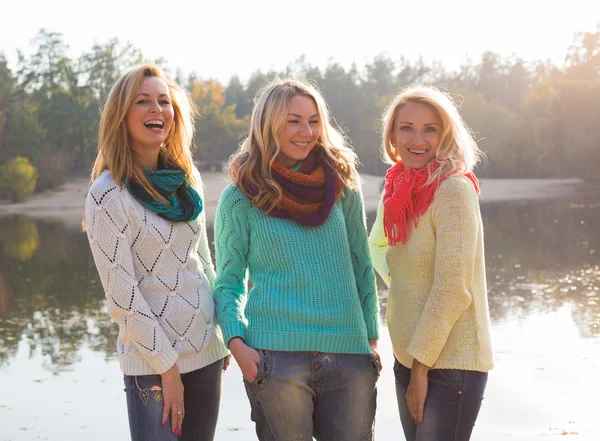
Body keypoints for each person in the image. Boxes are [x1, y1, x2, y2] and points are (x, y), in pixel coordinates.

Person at [214, 78, 381, 441]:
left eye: (314, 120)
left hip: (349, 354)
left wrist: (370, 338)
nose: (306, 131)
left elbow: (361, 265)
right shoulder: (240, 196)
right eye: (293, 120)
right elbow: (228, 281)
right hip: (276, 358)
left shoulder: (343, 186)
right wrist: (236, 343)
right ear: (268, 123)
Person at [84, 63, 229, 441]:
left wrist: (223, 335)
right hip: (151, 364)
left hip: (207, 352)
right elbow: (123, 296)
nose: (157, 110)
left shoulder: (186, 179)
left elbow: (204, 263)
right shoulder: (107, 194)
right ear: (121, 115)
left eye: (164, 101)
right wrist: (167, 368)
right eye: (143, 101)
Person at [368, 85, 494, 441]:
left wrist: (421, 370)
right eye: (406, 127)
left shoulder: (453, 189)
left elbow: (453, 288)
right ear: (392, 135)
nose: (417, 139)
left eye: (430, 129)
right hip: (409, 358)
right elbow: (396, 263)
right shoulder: (399, 190)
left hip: (450, 363)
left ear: (445, 134)